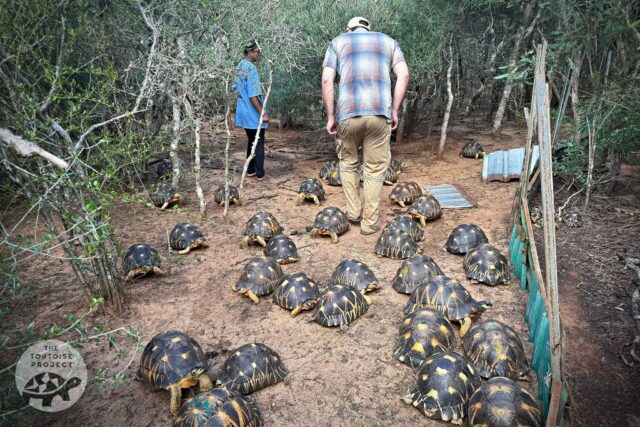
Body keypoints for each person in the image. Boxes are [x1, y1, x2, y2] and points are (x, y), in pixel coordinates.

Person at [322, 17, 409, 235]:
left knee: (349, 163)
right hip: (380, 113)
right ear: (369, 29)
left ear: (348, 29)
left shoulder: (338, 42)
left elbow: (326, 80)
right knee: (374, 169)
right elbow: (404, 74)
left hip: (348, 114)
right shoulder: (388, 42)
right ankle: (369, 224)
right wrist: (395, 109)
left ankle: (353, 213)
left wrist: (331, 115)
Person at [234, 40, 269, 180]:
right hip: (252, 112)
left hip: (243, 111)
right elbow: (253, 95)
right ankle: (260, 173)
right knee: (259, 142)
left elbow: (235, 89)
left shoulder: (240, 66)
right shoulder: (251, 69)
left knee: (251, 140)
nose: (258, 55)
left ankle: (251, 169)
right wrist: (263, 113)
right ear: (249, 52)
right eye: (257, 52)